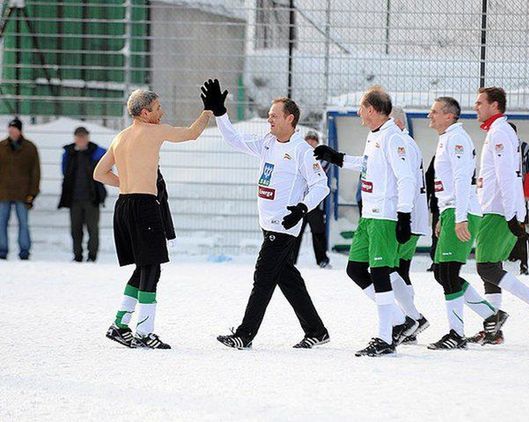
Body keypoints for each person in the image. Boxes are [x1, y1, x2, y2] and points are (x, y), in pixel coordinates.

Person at [209, 79, 331, 350]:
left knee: (263, 277)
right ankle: (317, 330)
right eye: (268, 116)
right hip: (268, 224)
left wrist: (301, 209)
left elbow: (321, 186)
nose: (269, 120)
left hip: (283, 227)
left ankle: (245, 334)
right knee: (287, 278)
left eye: (274, 116)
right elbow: (234, 139)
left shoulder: (301, 150)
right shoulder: (267, 143)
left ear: (290, 119)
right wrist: (220, 113)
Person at [95, 87, 213, 349]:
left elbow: (99, 173)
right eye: (158, 108)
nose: (163, 112)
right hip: (144, 206)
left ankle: (120, 324)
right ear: (145, 112)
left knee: (143, 266)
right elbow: (192, 134)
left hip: (124, 206)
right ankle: (144, 332)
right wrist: (208, 110)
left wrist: (125, 182)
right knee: (152, 267)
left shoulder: (121, 137)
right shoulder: (154, 130)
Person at [314, 86, 419, 357]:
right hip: (369, 216)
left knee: (380, 273)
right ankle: (400, 320)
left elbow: (405, 177)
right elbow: (367, 164)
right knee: (356, 270)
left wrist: (404, 215)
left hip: (384, 217)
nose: (358, 112)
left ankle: (385, 338)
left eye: (361, 107)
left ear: (371, 109)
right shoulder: (375, 136)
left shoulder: (393, 138)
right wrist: (336, 158)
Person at [469, 87, 529, 344]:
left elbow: (506, 177)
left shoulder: (499, 133)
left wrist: (510, 214)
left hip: (497, 211)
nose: (476, 107)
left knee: (485, 267)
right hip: (495, 209)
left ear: (495, 105)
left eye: (479, 103)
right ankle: (494, 329)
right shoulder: (499, 132)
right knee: (490, 268)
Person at [425, 97, 508, 349]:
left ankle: (456, 334)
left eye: (435, 112)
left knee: (449, 273)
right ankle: (491, 315)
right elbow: (444, 186)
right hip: (451, 211)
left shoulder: (457, 139)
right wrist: (442, 216)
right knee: (441, 273)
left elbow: (462, 181)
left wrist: (460, 218)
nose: (430, 116)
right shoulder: (445, 139)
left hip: (462, 213)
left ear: (449, 116)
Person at [388, 106, 430, 345]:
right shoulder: (406, 143)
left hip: (406, 217)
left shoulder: (400, 143)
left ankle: (413, 319)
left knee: (389, 269)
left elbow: (405, 181)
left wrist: (402, 213)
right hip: (412, 217)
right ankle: (411, 321)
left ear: (399, 123)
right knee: (401, 271)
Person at [58, 127, 107, 262]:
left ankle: (92, 256)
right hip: (74, 198)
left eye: (83, 136)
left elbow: (106, 169)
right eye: (78, 137)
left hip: (92, 198)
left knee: (93, 229)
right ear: (74, 138)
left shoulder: (97, 152)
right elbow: (64, 172)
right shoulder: (69, 154)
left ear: (88, 137)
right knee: (75, 230)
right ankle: (77, 255)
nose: (81, 139)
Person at [0, 117, 40, 260]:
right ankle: (2, 250)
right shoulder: (1, 146)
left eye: (14, 128)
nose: (12, 131)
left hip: (23, 194)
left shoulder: (30, 148)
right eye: (10, 128)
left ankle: (24, 251)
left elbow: (36, 172)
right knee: (1, 223)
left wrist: (32, 193)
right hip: (3, 193)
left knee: (23, 223)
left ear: (20, 130)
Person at [292, 131, 331, 268]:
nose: (311, 142)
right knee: (295, 231)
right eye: (308, 139)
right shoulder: (298, 154)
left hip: (315, 202)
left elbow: (322, 170)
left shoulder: (321, 158)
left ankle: (322, 260)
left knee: (318, 232)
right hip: (299, 200)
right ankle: (291, 260)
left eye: (314, 140)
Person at [507, 122, 529, 275]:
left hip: (518, 197)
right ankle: (499, 260)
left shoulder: (524, 148)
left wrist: (526, 195)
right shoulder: (498, 146)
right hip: (502, 198)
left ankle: (524, 264)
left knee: (521, 230)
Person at [425, 155, 440, 272]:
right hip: (438, 204)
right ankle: (436, 261)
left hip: (449, 204)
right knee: (436, 234)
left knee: (439, 234)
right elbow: (429, 179)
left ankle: (439, 261)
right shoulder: (438, 157)